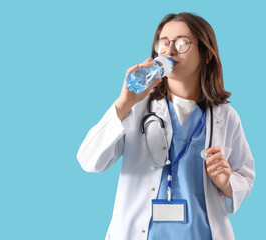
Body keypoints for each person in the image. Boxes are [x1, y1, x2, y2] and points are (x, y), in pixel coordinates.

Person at [77, 12, 255, 240]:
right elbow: (89, 161)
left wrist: (226, 182)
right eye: (164, 43)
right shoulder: (137, 107)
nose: (170, 50)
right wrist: (122, 104)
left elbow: (245, 175)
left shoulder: (225, 116)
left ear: (206, 54)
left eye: (182, 43)